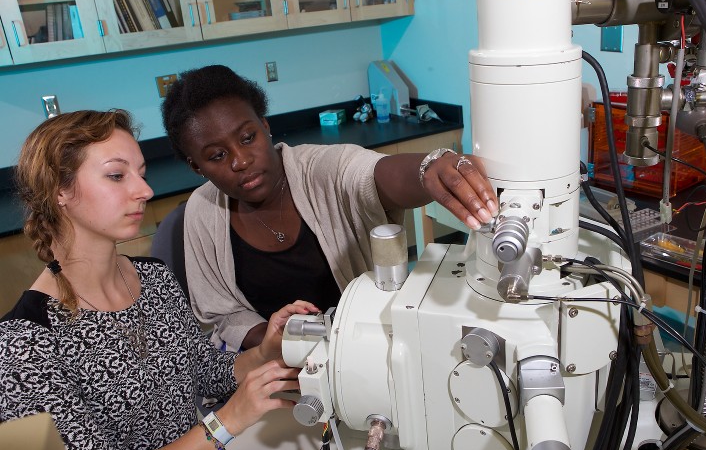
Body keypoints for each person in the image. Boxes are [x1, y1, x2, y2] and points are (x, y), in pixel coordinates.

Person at [0, 109, 317, 450]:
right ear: (59, 191)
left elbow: (202, 373)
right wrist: (226, 422)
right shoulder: (24, 345)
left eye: (141, 172)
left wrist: (263, 352)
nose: (145, 191)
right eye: (117, 176)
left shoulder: (152, 278)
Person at [162, 65, 498, 351]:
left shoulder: (320, 170)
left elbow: (367, 173)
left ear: (265, 127)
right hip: (278, 369)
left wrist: (428, 168)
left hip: (364, 350)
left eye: (248, 137)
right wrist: (278, 342)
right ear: (197, 167)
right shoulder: (202, 212)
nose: (241, 160)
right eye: (217, 156)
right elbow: (224, 315)